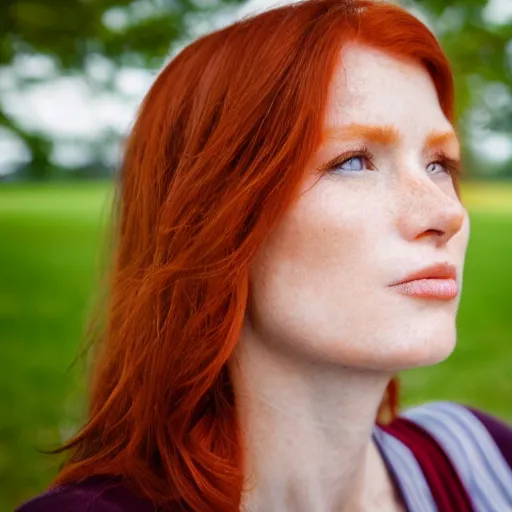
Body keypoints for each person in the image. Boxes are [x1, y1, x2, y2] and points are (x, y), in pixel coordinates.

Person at [16, 0, 512, 510]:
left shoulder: (482, 461)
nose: (446, 212)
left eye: (439, 163)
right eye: (353, 161)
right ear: (213, 221)